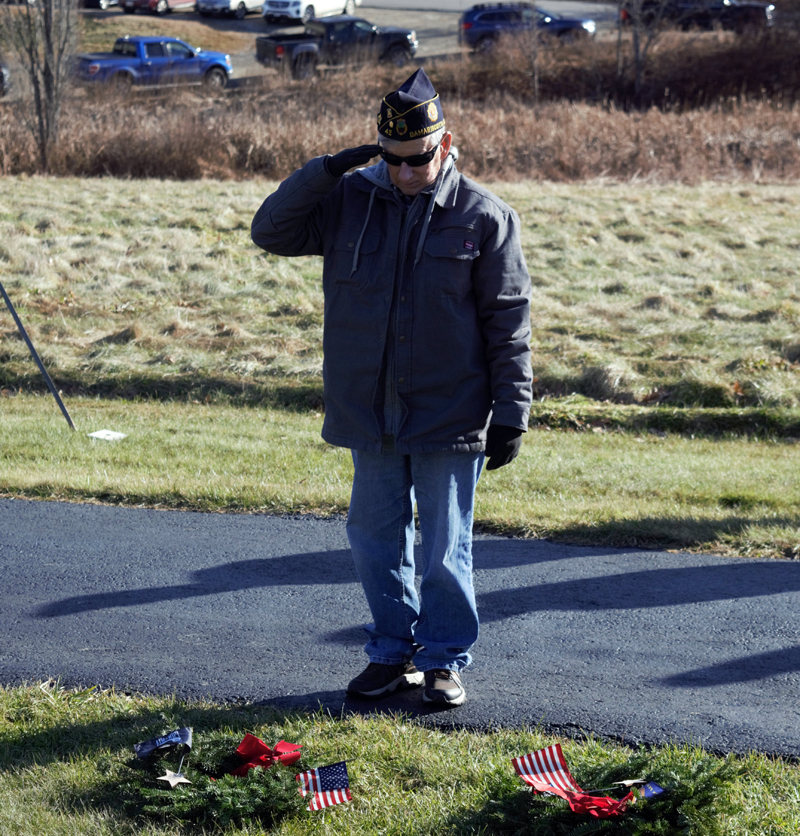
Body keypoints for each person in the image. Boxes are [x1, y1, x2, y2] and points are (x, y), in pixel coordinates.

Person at [251, 68, 532, 708]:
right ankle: (390, 654)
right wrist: (324, 169)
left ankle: (442, 659)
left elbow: (509, 321)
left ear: (447, 141)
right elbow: (270, 232)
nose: (406, 174)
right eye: (392, 160)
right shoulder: (349, 200)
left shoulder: (484, 217)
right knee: (375, 541)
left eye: (419, 160)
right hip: (368, 411)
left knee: (442, 549)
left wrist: (512, 410)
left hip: (450, 412)